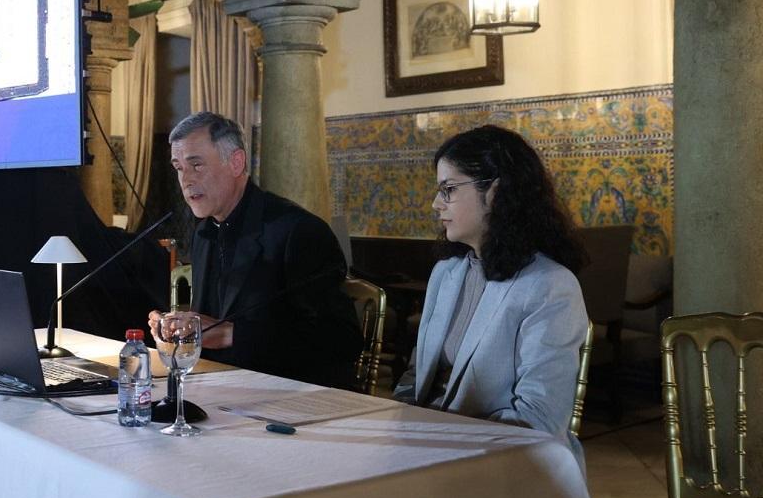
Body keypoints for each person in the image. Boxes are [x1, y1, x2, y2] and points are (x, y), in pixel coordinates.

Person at [393, 124, 589, 466]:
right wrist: (396, 432)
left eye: (449, 189)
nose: (435, 204)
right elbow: (415, 377)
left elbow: (539, 419)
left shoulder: (550, 285)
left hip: (507, 466)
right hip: (428, 452)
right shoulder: (447, 273)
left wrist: (439, 441)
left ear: (495, 193)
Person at [148, 112, 362, 387]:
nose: (185, 180)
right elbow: (210, 326)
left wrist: (231, 334)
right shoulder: (204, 233)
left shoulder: (298, 231)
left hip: (292, 395)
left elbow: (342, 340)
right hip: (224, 389)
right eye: (178, 167)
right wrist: (180, 328)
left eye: (197, 165)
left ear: (236, 162)